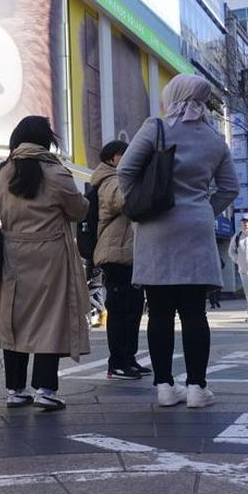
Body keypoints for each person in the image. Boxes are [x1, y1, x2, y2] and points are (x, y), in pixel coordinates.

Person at [118, 74, 238, 409]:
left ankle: (165, 387)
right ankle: (198, 387)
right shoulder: (215, 140)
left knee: (159, 313)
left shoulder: (156, 128)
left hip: (157, 229)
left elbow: (125, 170)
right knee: (194, 313)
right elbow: (230, 187)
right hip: (196, 232)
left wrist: (140, 203)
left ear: (173, 95)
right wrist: (204, 210)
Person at [0, 117, 90, 411]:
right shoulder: (56, 172)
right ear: (47, 140)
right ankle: (46, 390)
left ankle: (15, 390)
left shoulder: (3, 171)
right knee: (50, 320)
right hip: (50, 254)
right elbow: (78, 210)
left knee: (13, 321)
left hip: (12, 253)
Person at [91, 139, 147, 380]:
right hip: (115, 254)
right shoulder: (109, 180)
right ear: (114, 158)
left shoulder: (117, 177)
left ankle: (129, 359)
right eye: (127, 155)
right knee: (120, 309)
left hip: (128, 253)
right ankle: (117, 362)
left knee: (133, 308)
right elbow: (123, 201)